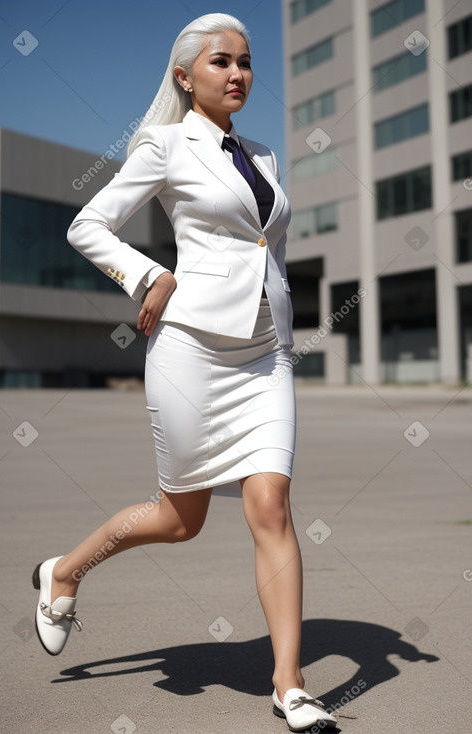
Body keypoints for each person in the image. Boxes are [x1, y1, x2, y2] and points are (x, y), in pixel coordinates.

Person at [32, 13, 337, 732]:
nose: (237, 73)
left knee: (271, 507)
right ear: (184, 75)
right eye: (220, 62)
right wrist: (147, 277)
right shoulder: (164, 146)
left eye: (245, 62)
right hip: (191, 349)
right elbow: (87, 225)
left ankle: (288, 685)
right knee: (180, 521)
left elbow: (263, 243)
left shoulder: (261, 154)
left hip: (264, 355)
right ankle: (64, 573)